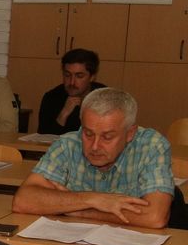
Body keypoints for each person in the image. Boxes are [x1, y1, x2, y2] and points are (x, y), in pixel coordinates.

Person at [13, 88, 174, 229]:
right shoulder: (67, 144)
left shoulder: (151, 145)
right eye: (88, 134)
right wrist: (93, 199)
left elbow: (155, 217)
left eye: (107, 137)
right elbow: (23, 201)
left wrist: (80, 210)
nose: (95, 146)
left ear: (130, 133)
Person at [37, 48, 105, 136]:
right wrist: (63, 114)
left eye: (79, 76)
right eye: (67, 75)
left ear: (92, 77)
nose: (72, 82)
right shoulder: (51, 97)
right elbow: (43, 137)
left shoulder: (105, 98)